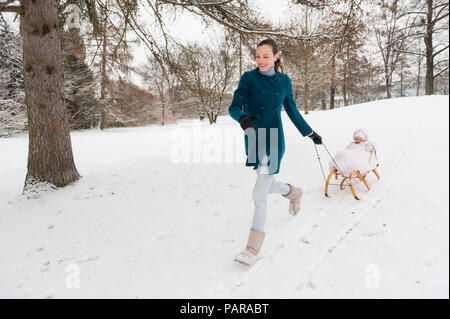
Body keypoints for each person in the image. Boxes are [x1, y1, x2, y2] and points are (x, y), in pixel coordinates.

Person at [228, 38, 322, 267]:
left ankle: (252, 249)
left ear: (276, 56)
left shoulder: (284, 82)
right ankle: (293, 192)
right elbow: (234, 106)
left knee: (259, 194)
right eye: (258, 56)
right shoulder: (248, 78)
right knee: (266, 184)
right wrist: (241, 118)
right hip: (253, 139)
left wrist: (309, 133)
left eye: (266, 56)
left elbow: (292, 110)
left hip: (273, 140)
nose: (261, 60)